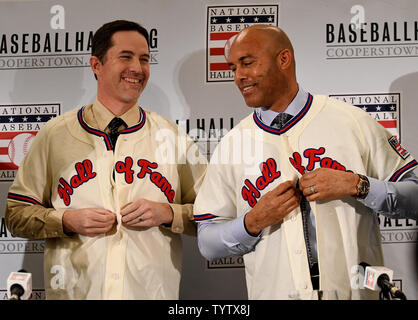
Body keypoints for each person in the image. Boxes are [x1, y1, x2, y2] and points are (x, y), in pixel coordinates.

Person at [194, 25, 418, 300]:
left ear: (283, 59)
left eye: (247, 63)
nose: (239, 76)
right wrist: (253, 221)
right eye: (233, 68)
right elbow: (207, 241)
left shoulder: (352, 122)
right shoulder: (232, 144)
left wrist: (358, 185)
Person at [5, 20, 207, 299]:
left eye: (144, 59)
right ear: (96, 65)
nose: (137, 68)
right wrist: (65, 221)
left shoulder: (171, 137)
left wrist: (170, 213)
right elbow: (16, 215)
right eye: (126, 57)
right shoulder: (55, 134)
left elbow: (215, 214)